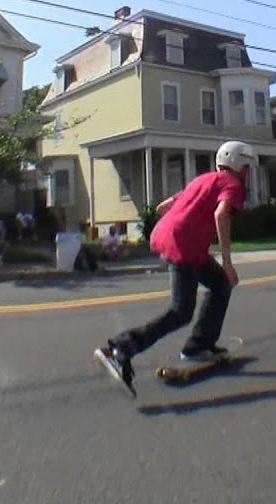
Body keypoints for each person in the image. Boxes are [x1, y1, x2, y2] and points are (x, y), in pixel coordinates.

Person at [94, 140, 256, 395]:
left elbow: (163, 207)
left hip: (173, 238)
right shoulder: (232, 184)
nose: (248, 173)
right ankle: (120, 349)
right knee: (181, 310)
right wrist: (227, 262)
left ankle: (200, 345)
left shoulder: (203, 180)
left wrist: (181, 226)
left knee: (219, 284)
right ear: (239, 165)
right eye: (247, 167)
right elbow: (221, 215)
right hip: (184, 246)